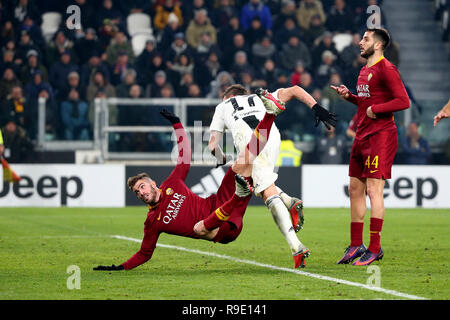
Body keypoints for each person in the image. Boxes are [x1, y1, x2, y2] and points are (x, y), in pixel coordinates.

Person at [93, 94, 306, 271]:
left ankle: (270, 114)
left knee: (246, 158)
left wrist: (177, 124)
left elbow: (184, 157)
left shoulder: (172, 184)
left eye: (141, 187)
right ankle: (248, 196)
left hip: (219, 203)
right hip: (223, 230)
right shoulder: (152, 221)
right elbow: (145, 253)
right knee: (198, 228)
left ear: (152, 183)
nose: (140, 193)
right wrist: (120, 267)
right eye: (137, 193)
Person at [208, 84, 337, 266]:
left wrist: (221, 158)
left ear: (226, 97)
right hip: (272, 136)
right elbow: (294, 90)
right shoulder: (258, 97)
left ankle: (296, 246)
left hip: (250, 141)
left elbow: (212, 146)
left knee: (265, 191)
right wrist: (316, 107)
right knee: (252, 180)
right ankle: (288, 201)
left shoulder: (222, 106)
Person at [330, 28, 410, 266]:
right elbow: (367, 102)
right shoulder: (365, 70)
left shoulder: (387, 69)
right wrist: (350, 97)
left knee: (374, 190)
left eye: (365, 39)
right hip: (362, 135)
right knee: (355, 189)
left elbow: (402, 101)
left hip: (381, 136)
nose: (360, 42)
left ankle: (375, 248)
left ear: (378, 45)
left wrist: (377, 110)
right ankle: (356, 245)